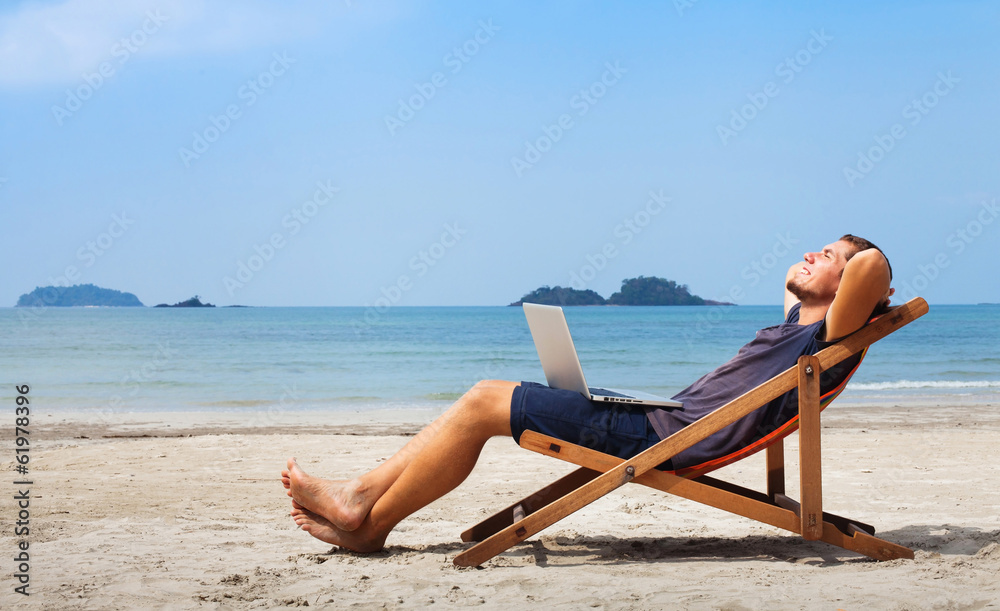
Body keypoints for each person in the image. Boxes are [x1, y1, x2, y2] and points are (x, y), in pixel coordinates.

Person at [282, 234, 894, 553]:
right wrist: (825, 262)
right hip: (661, 419)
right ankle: (362, 506)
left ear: (854, 289)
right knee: (490, 395)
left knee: (482, 401)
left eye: (830, 256)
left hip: (662, 437)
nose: (812, 255)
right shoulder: (798, 323)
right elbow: (793, 280)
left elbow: (868, 271)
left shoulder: (829, 333)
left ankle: (364, 511)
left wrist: (859, 262)